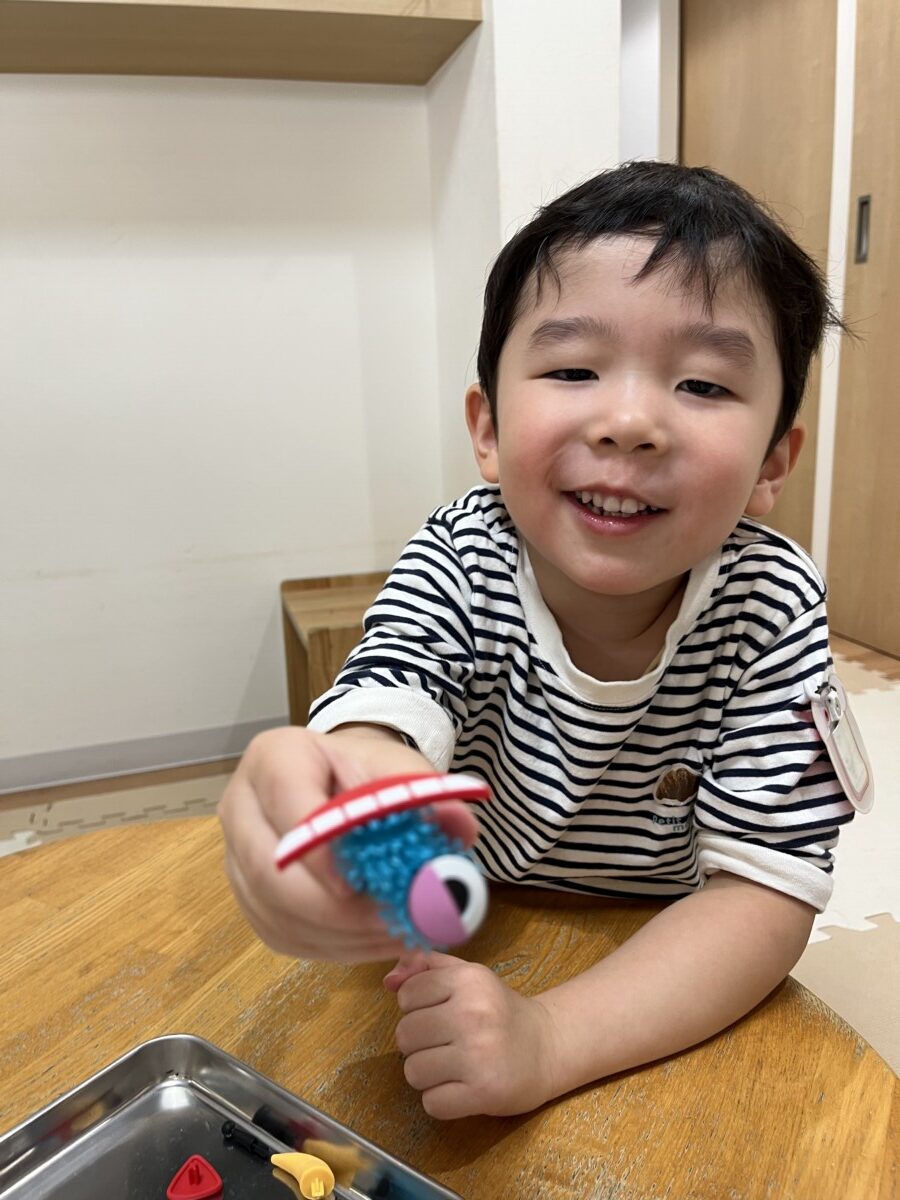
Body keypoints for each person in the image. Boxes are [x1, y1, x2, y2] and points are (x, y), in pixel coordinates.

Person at [219, 161, 867, 1121]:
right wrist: (346, 789)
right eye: (572, 370)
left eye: (702, 383)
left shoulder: (770, 601)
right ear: (486, 427)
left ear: (773, 461)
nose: (630, 423)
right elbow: (388, 709)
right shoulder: (461, 554)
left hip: (664, 951)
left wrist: (554, 1037)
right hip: (472, 918)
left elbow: (764, 896)